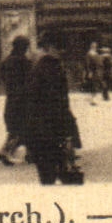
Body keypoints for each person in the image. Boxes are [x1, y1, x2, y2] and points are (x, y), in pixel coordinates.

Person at [23, 37, 82, 185]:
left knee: (46, 174)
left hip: (38, 125)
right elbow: (61, 101)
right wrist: (69, 131)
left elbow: (29, 98)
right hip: (56, 125)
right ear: (53, 48)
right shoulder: (55, 67)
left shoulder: (35, 68)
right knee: (61, 167)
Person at [0, 36, 32, 165]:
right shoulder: (25, 62)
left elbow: (1, 77)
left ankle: (29, 153)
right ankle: (6, 152)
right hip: (23, 99)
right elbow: (30, 80)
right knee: (23, 128)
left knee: (15, 129)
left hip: (11, 98)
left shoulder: (6, 61)